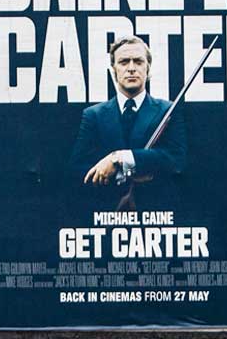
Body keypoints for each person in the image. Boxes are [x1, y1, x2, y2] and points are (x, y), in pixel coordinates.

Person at [67, 35, 187, 213]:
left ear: (148, 69)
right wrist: (136, 172)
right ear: (114, 71)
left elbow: (176, 160)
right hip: (107, 214)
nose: (131, 68)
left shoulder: (167, 111)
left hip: (156, 215)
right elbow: (79, 168)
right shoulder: (93, 115)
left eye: (138, 62)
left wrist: (120, 159)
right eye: (124, 62)